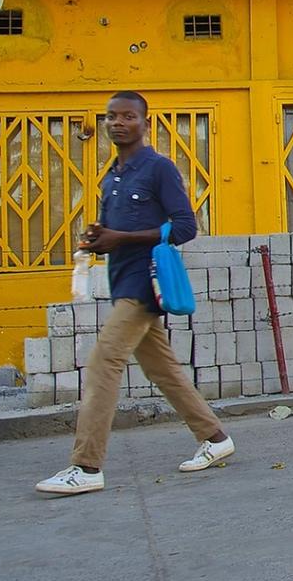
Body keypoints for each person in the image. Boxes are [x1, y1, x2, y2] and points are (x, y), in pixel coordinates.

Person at [37, 91, 234, 496]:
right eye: (111, 117)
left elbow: (185, 227)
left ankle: (86, 466)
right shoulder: (112, 176)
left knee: (103, 362)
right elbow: (114, 233)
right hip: (121, 280)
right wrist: (98, 239)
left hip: (146, 284)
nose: (118, 123)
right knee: (163, 369)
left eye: (128, 116)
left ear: (145, 123)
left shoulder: (158, 168)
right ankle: (214, 438)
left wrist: (121, 238)